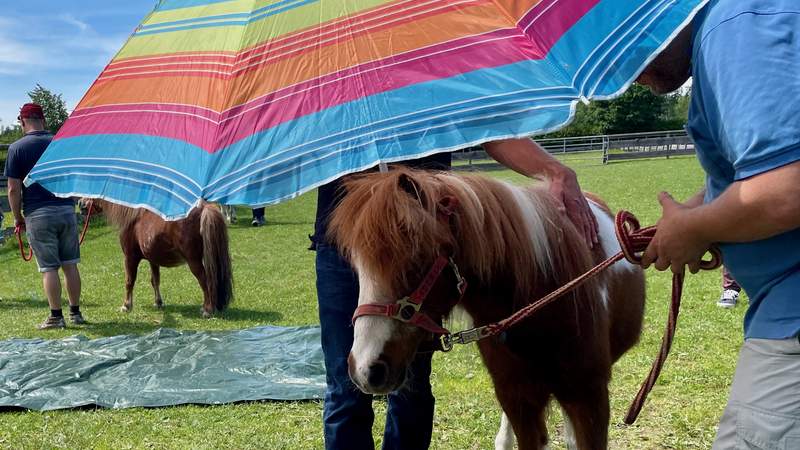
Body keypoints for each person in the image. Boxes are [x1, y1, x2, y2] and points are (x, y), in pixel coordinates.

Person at [311, 137, 597, 449]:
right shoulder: (320, 93)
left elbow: (492, 129)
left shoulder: (433, 87)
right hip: (343, 243)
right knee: (345, 387)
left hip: (417, 238)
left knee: (412, 386)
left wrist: (556, 171)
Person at [636, 1, 800, 447]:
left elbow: (788, 187)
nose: (625, 76)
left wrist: (696, 229)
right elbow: (757, 172)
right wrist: (694, 214)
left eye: (621, 47)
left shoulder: (734, 29)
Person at [4, 103, 85, 330]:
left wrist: (17, 216)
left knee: (49, 268)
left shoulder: (17, 148)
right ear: (44, 120)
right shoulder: (59, 144)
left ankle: (56, 317)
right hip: (66, 211)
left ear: (22, 121)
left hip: (38, 214)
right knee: (70, 264)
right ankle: (75, 314)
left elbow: (12, 189)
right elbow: (72, 175)